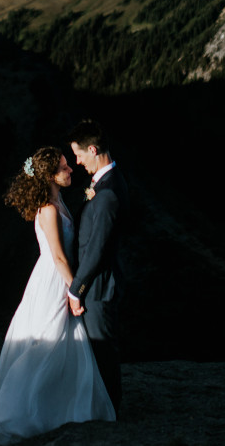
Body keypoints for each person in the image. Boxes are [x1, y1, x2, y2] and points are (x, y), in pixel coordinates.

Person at [0, 146, 115, 444]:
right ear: (51, 176)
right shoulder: (49, 209)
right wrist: (74, 291)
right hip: (52, 279)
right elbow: (58, 257)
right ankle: (18, 411)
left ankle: (57, 404)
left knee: (62, 341)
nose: (70, 171)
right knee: (47, 342)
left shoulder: (59, 201)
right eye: (64, 168)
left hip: (56, 277)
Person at [67, 120, 127, 416]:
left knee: (103, 350)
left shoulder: (108, 194)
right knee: (96, 349)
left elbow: (97, 250)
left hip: (98, 287)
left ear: (93, 150)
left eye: (79, 155)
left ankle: (109, 412)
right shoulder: (104, 184)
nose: (77, 162)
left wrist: (76, 289)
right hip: (97, 285)